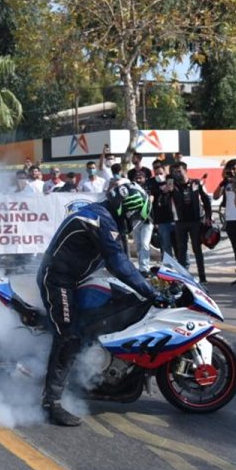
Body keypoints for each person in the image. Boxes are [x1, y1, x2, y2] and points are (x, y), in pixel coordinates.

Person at [36, 181, 158, 426]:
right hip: (58, 280)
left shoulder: (105, 217)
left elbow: (122, 260)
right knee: (69, 336)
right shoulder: (99, 220)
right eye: (135, 217)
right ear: (127, 209)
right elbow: (118, 263)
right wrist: (149, 291)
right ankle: (52, 403)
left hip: (75, 278)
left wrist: (148, 278)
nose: (134, 223)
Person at [168, 161, 212, 285]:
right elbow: (166, 202)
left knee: (197, 249)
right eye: (175, 172)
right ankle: (183, 276)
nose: (177, 174)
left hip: (196, 221)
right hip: (180, 222)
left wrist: (208, 216)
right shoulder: (173, 186)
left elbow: (206, 199)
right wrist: (168, 191)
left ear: (186, 171)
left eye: (179, 171)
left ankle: (202, 276)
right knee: (181, 249)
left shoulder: (196, 183)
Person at [147, 160, 175, 259]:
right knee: (165, 246)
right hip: (161, 219)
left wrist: (168, 187)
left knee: (178, 246)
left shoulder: (170, 179)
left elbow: (172, 191)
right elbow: (151, 196)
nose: (158, 175)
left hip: (174, 218)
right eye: (156, 173)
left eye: (160, 173)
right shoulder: (151, 182)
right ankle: (168, 267)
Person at [132, 169, 154, 276]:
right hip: (134, 220)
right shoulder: (130, 188)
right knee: (138, 245)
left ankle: (145, 268)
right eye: (137, 177)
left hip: (147, 220)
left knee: (145, 244)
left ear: (145, 178)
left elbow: (150, 200)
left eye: (141, 177)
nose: (139, 178)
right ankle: (141, 267)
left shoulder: (149, 189)